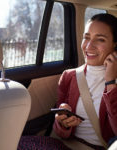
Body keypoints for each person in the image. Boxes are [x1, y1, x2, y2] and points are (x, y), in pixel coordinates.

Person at [53, 13, 117, 150]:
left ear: (115, 45)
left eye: (100, 40)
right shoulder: (68, 76)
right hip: (69, 145)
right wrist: (63, 123)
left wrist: (111, 82)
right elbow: (59, 132)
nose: (89, 46)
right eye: (86, 37)